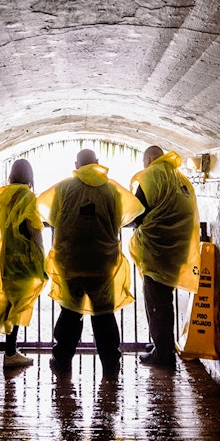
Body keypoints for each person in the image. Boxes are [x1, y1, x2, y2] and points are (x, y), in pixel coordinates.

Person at [38, 148, 144, 376]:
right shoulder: (112, 190)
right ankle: (110, 363)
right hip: (102, 262)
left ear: (76, 165)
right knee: (104, 314)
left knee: (70, 313)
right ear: (97, 163)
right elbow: (117, 221)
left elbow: (55, 218)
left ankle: (62, 359)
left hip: (70, 261)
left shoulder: (63, 189)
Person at [129, 146, 201, 367]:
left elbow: (136, 213)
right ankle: (162, 345)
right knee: (164, 300)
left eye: (144, 162)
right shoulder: (180, 178)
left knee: (156, 301)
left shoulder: (151, 176)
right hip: (177, 250)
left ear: (149, 159)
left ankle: (163, 354)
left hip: (156, 249)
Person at [0, 159, 48, 367]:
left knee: (10, 302)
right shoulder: (27, 197)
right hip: (24, 257)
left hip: (7, 256)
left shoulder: (4, 197)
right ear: (29, 177)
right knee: (17, 304)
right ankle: (9, 352)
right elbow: (33, 226)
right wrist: (41, 252)